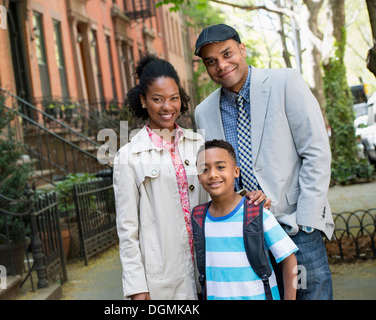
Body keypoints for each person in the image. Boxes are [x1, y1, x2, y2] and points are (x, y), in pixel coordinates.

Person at [193, 24, 334, 300]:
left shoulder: (285, 82)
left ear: (242, 49)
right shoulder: (204, 112)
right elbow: (222, 172)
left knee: (311, 294)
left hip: (296, 224)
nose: (221, 65)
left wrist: (307, 221)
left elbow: (316, 151)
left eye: (227, 54)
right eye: (211, 62)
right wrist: (245, 198)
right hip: (246, 230)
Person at [113, 54, 269, 300]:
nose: (167, 107)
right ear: (143, 101)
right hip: (164, 280)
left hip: (212, 268)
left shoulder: (198, 143)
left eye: (174, 98)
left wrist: (245, 197)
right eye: (157, 99)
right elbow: (127, 231)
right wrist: (136, 289)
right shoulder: (129, 156)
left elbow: (218, 192)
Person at [193, 139, 298, 300]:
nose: (213, 174)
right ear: (199, 177)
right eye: (205, 169)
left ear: (236, 171)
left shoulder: (256, 213)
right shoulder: (199, 218)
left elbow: (289, 259)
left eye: (220, 167)